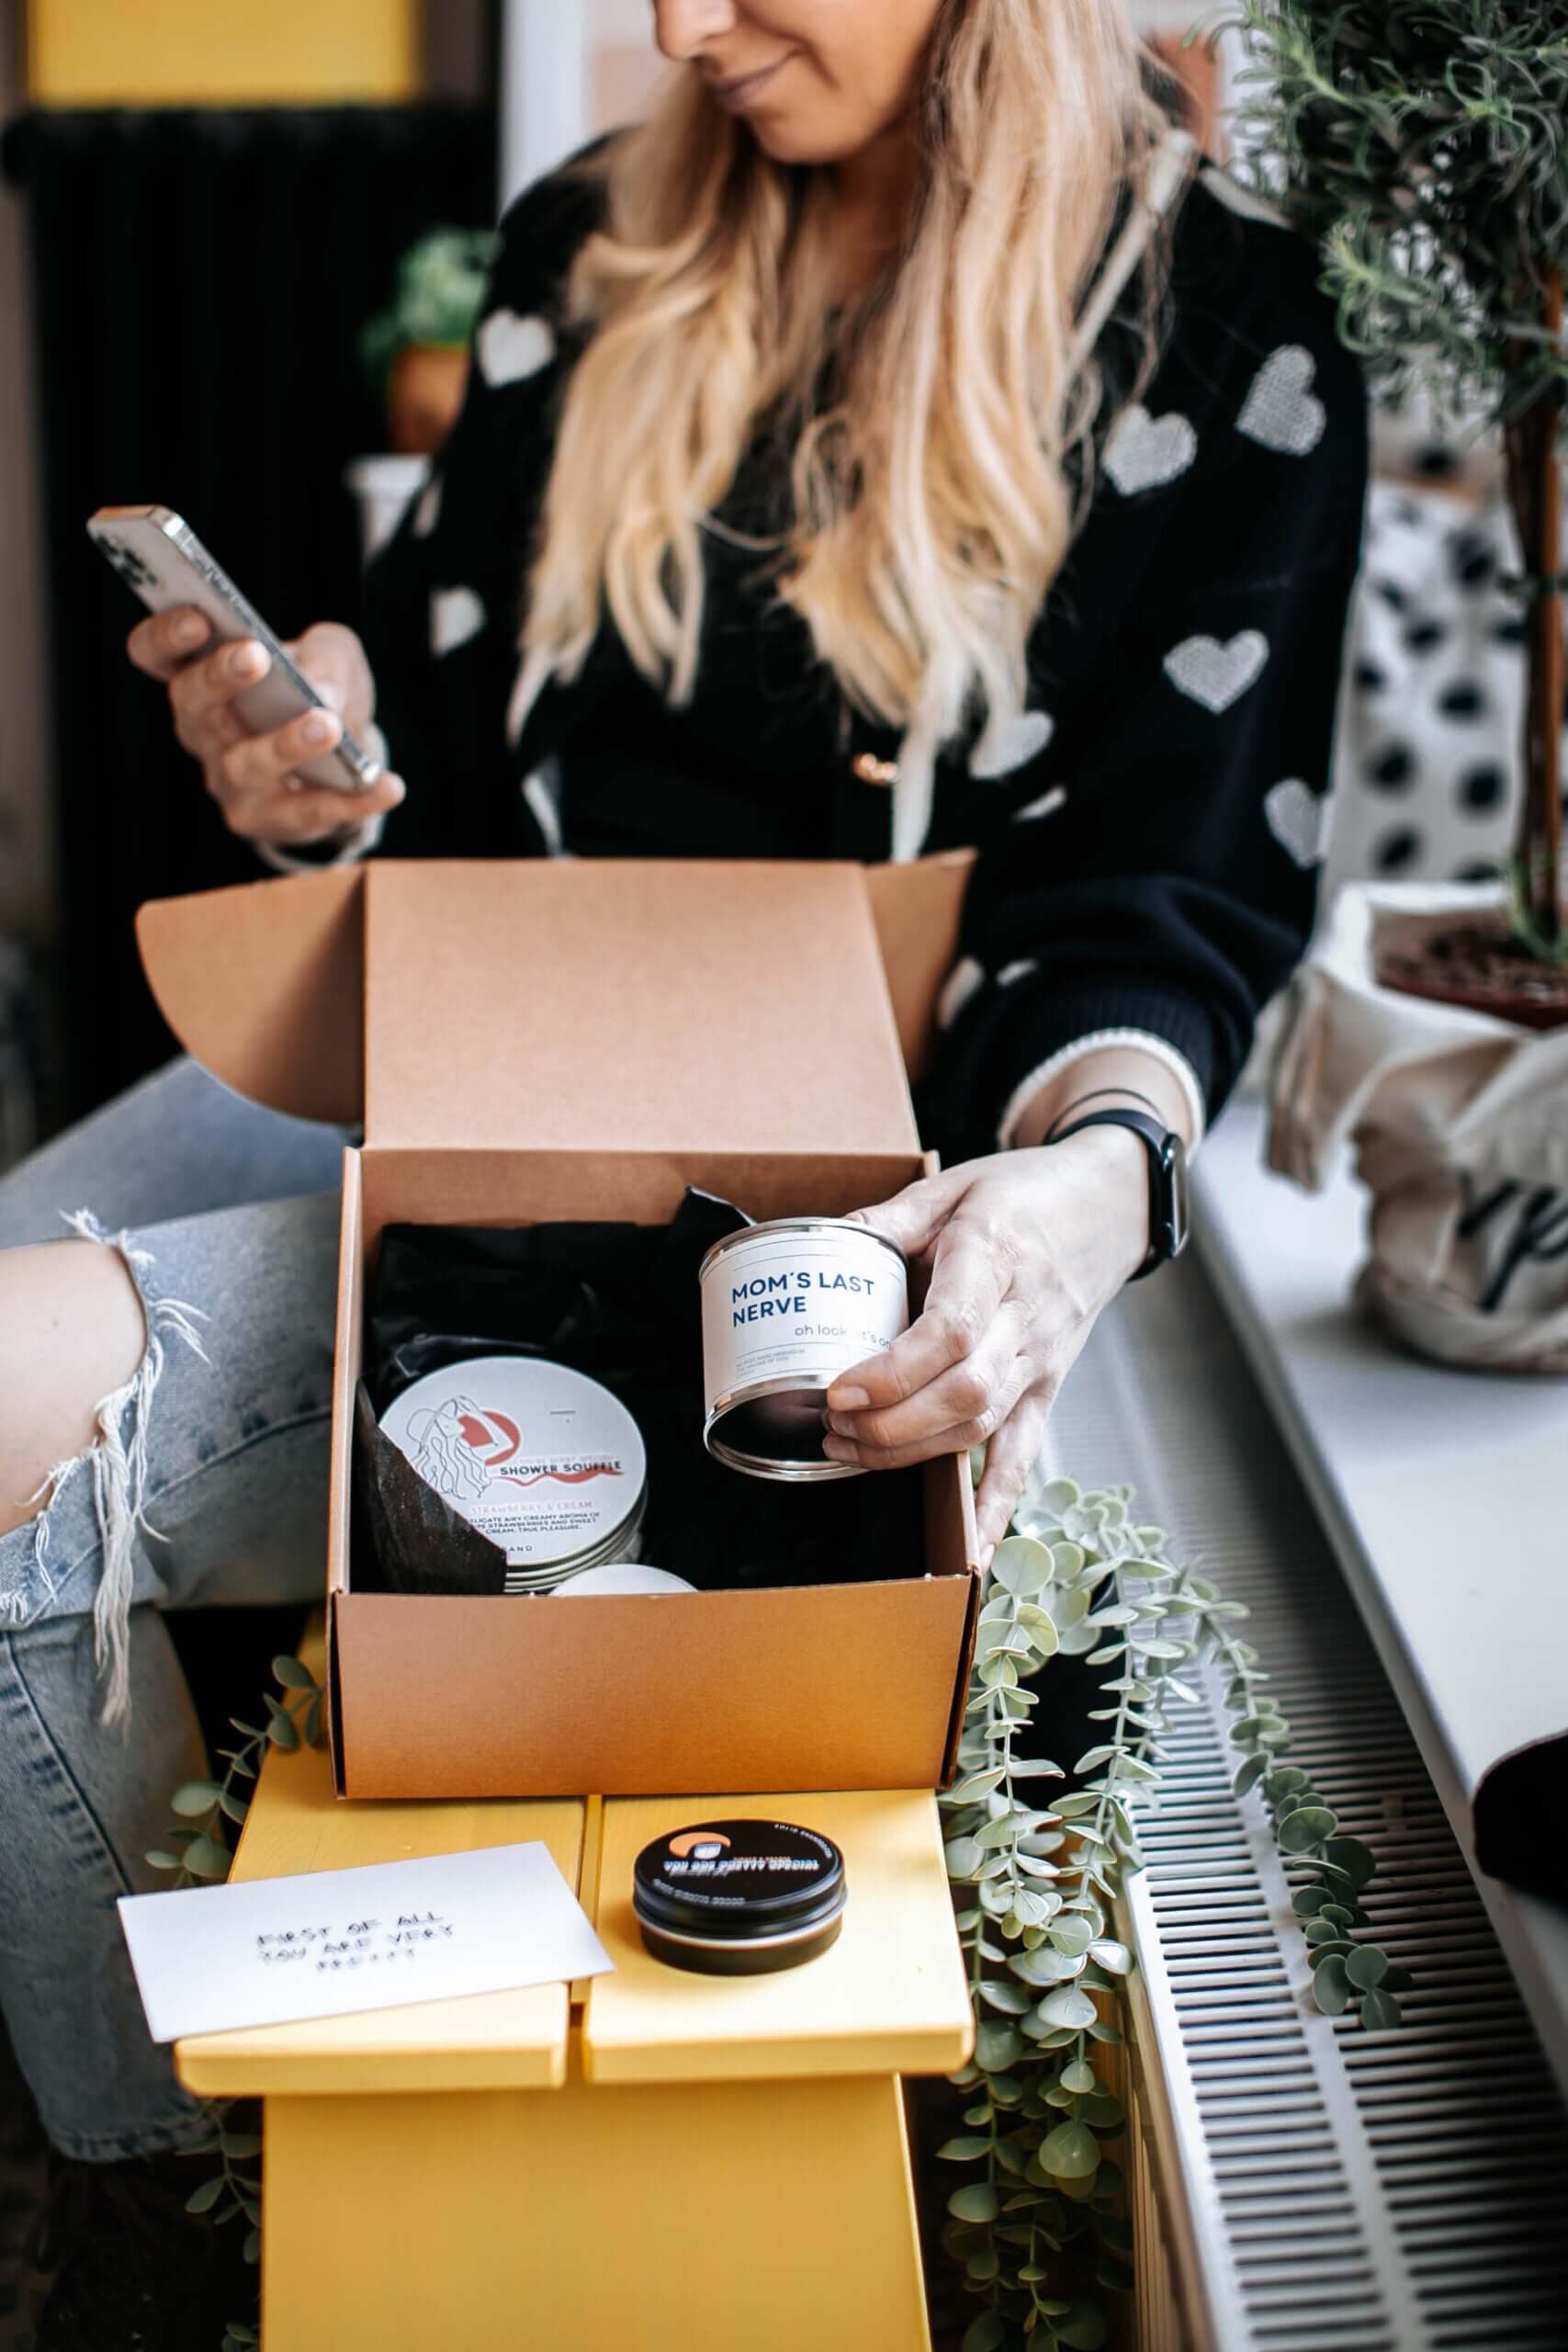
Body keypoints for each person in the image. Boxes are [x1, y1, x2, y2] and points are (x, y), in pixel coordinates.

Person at [0, 0, 1367, 2336]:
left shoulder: (1221, 334)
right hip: (451, 1038)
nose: (673, 24)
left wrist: (1089, 1182)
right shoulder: (584, 245)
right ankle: (171, 2130)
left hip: (793, 1197)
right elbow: (441, 725)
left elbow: (1162, 904)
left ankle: (136, 2196)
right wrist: (318, 754)